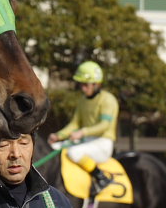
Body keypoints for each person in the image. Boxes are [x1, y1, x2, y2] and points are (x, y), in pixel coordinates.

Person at [47, 60, 118, 196]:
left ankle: (102, 178)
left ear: (97, 84)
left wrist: (82, 133)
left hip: (103, 143)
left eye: (86, 85)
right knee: (55, 149)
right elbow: (75, 124)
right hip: (86, 141)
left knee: (74, 153)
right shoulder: (83, 100)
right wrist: (59, 135)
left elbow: (104, 126)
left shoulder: (108, 100)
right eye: (81, 84)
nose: (83, 88)